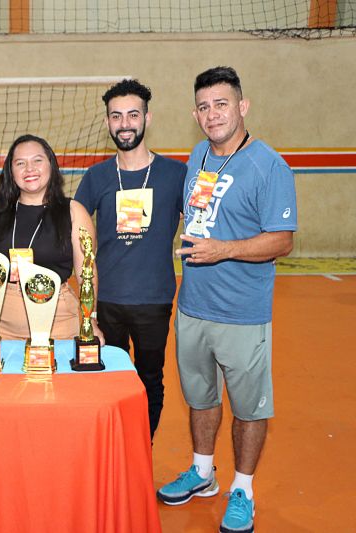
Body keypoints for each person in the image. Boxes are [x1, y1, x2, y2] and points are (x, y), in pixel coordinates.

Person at [156, 67, 296, 533]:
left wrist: (225, 250)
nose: (212, 114)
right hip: (194, 306)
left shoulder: (268, 165)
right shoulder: (199, 155)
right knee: (200, 397)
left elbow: (282, 241)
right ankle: (201, 473)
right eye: (203, 106)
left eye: (221, 104)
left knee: (249, 408)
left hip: (241, 313)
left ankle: (243, 488)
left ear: (242, 107)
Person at [74, 79, 186, 439]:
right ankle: (114, 449)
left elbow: (206, 222)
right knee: (109, 378)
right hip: (105, 300)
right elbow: (75, 233)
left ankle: (141, 448)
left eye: (133, 115)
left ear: (147, 119)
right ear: (108, 122)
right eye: (116, 116)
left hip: (154, 299)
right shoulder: (96, 177)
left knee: (150, 376)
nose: (125, 123)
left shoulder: (176, 175)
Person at [0, 134, 103, 342]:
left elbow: (86, 274)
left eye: (37, 160)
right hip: (0, 325)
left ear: (51, 166)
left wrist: (91, 321)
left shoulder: (73, 211)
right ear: (11, 172)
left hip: (59, 323)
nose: (29, 169)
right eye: (20, 163)